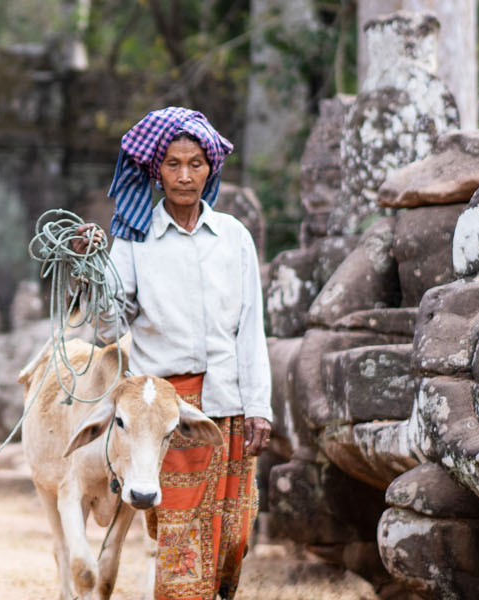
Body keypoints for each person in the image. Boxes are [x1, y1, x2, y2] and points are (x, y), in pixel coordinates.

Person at [73, 107, 273, 600]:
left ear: (211, 170)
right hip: (162, 407)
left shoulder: (235, 239)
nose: (185, 176)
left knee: (234, 536)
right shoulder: (134, 242)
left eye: (196, 163)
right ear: (155, 172)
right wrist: (89, 271)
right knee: (182, 533)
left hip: (230, 400)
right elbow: (108, 326)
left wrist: (260, 407)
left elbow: (252, 330)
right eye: (173, 164)